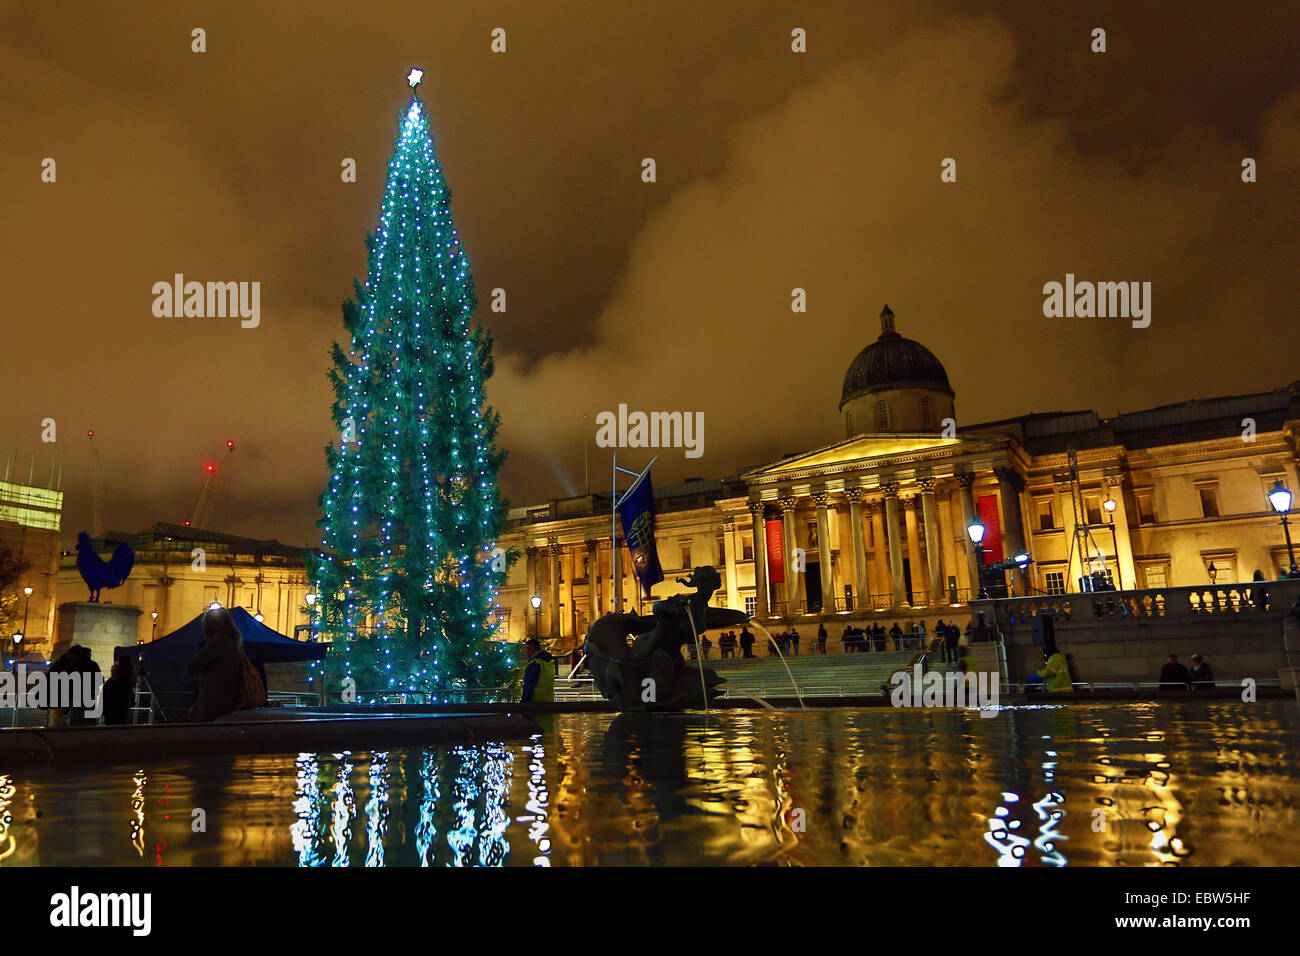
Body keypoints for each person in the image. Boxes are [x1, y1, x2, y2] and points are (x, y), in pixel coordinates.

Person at [187, 607, 247, 722]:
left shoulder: (218, 641)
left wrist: (201, 648)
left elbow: (193, 665)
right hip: (227, 700)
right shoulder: (232, 641)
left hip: (213, 701)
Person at [102, 654, 137, 725]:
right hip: (124, 707)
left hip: (112, 708)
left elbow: (108, 693)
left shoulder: (114, 681)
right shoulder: (130, 677)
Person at [519, 638, 556, 703]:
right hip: (548, 701)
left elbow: (529, 685)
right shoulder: (548, 663)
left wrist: (524, 701)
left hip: (534, 702)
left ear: (536, 648)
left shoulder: (534, 664)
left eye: (529, 648)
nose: (527, 651)